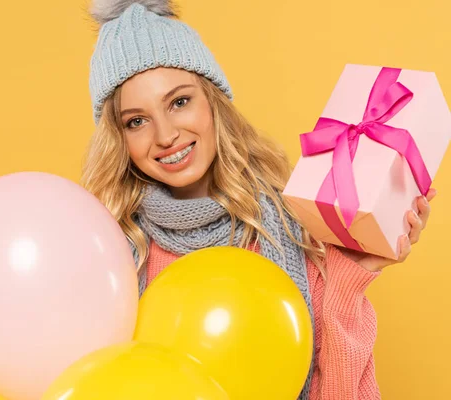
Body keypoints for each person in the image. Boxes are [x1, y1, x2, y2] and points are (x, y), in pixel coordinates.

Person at [81, 1, 436, 399]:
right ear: (119, 139)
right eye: (136, 121)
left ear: (212, 101)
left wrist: (348, 282)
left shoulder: (294, 227)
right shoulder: (114, 255)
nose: (165, 135)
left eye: (179, 102)